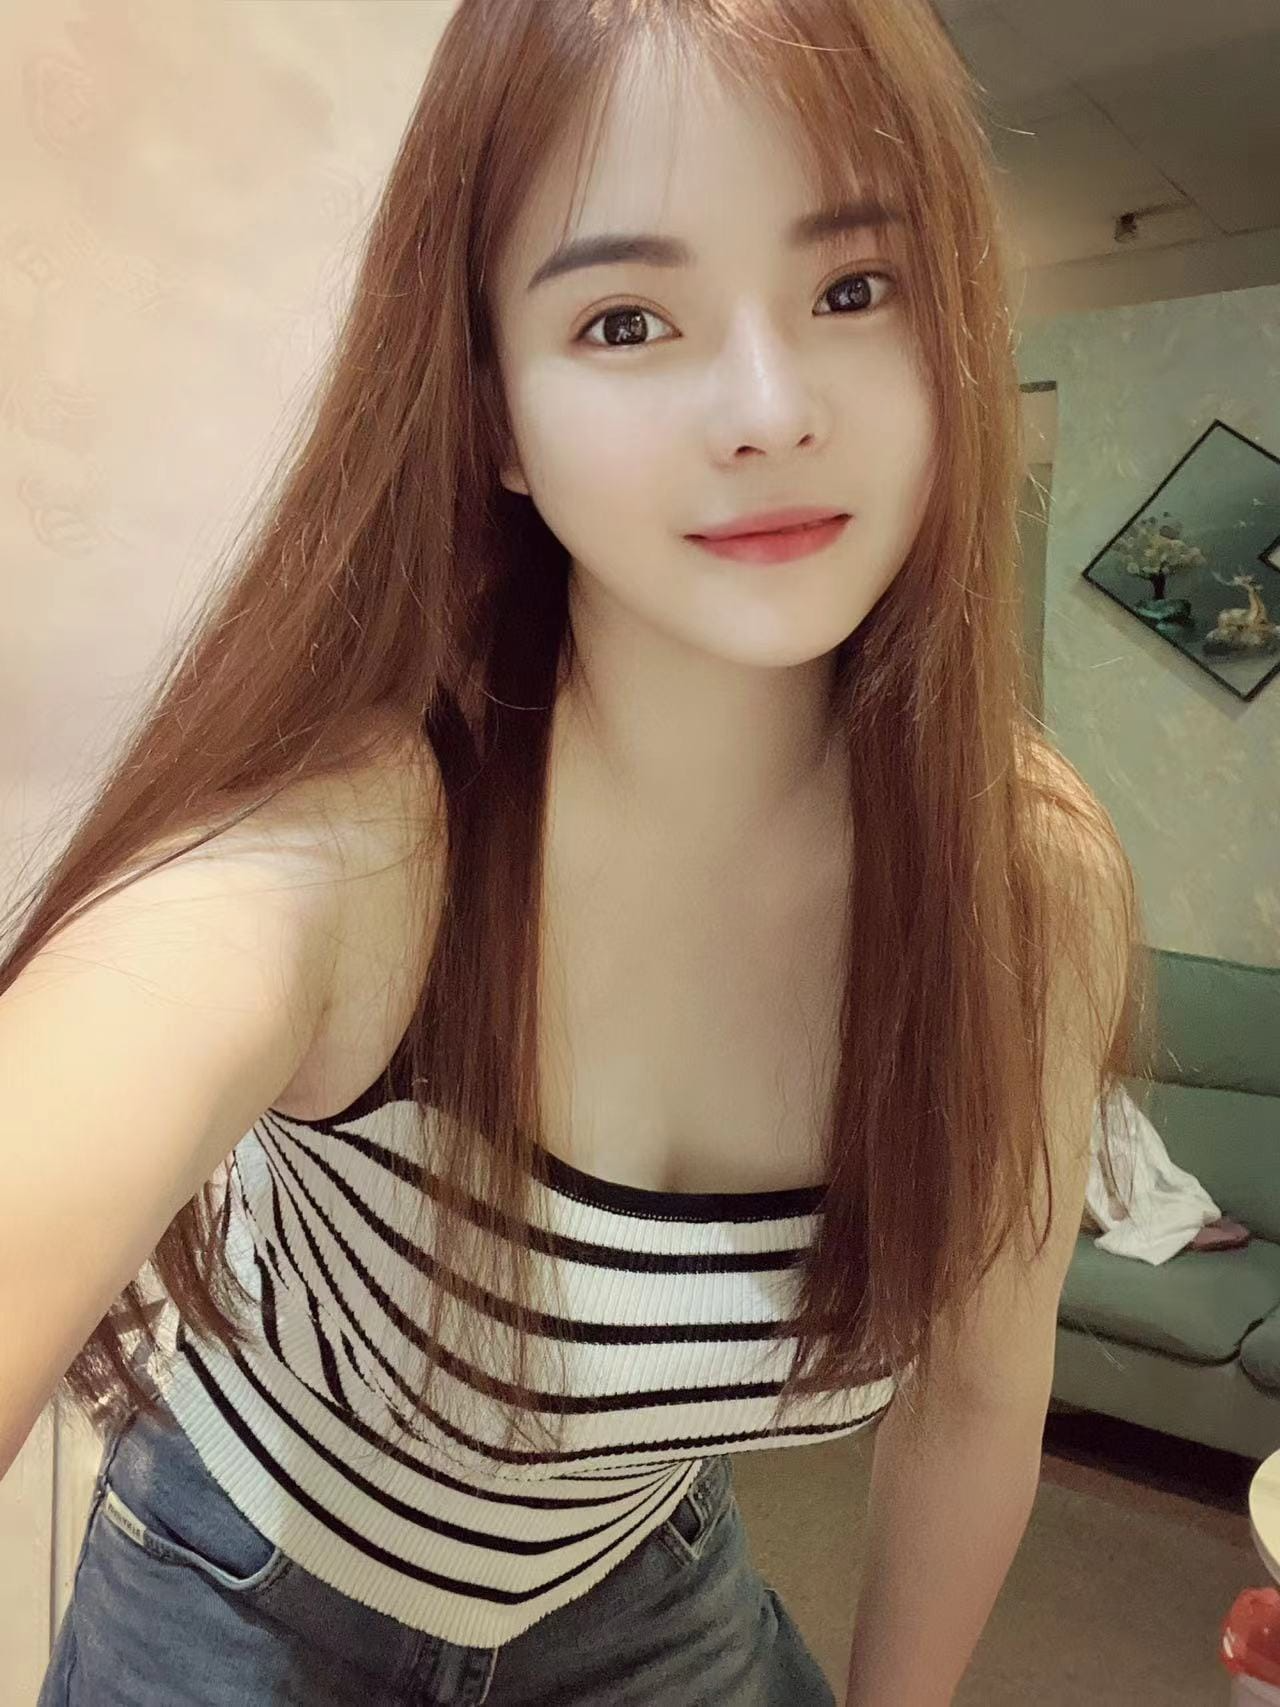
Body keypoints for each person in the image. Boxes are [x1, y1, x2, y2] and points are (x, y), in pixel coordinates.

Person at [1, 1, 1148, 1702]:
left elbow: (979, 1396)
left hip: (641, 1582)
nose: (767, 407)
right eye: (626, 319)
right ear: (499, 416)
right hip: (246, 1582)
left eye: (853, 288)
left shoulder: (1023, 888)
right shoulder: (360, 851)